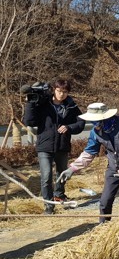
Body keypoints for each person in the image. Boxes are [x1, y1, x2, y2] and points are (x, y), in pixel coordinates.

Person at [57, 103, 119, 223]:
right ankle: (103, 227)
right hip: (114, 168)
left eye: (97, 121)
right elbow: (89, 153)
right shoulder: (95, 132)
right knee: (105, 201)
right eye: (93, 121)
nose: (96, 125)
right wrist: (72, 169)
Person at [23, 78, 85, 214]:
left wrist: (69, 127)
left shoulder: (71, 106)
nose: (61, 94)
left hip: (62, 146)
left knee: (61, 173)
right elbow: (29, 121)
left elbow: (80, 123)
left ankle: (59, 195)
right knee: (46, 176)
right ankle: (49, 205)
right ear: (54, 90)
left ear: (68, 93)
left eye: (65, 91)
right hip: (45, 146)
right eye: (59, 91)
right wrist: (30, 103)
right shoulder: (44, 103)